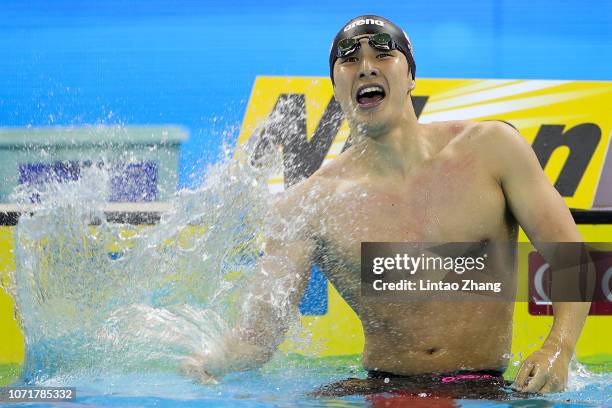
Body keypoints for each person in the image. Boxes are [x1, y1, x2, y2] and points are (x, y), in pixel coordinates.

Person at [181, 15, 591, 397]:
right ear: (337, 86)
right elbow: (257, 339)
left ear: (410, 75)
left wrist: (558, 349)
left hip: (484, 388)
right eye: (350, 60)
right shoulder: (308, 205)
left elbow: (571, 259)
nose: (366, 67)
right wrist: (205, 362)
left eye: (383, 54)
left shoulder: (492, 150)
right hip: (379, 392)